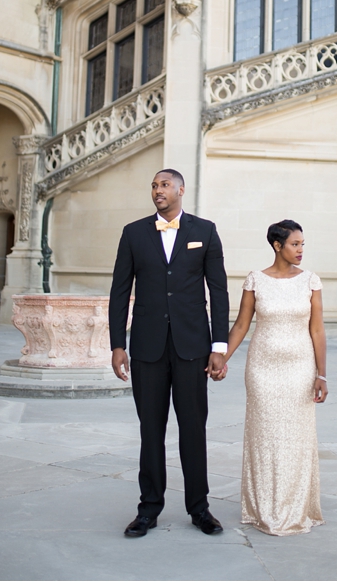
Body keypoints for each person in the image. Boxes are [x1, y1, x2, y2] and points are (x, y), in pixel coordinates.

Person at [109, 169, 230, 538]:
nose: (157, 191)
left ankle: (200, 508)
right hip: (147, 347)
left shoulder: (205, 231)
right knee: (151, 431)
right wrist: (118, 344)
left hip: (192, 347)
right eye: (154, 186)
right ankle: (148, 509)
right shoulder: (133, 233)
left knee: (193, 429)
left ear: (180, 190)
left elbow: (219, 291)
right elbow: (119, 291)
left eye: (164, 185)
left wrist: (219, 347)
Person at [219, 219, 327, 536]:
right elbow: (241, 326)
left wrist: (322, 374)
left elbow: (317, 330)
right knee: (264, 437)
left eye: (303, 244)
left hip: (300, 368)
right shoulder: (256, 280)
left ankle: (295, 508)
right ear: (278, 246)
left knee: (295, 438)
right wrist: (220, 359)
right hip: (262, 369)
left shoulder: (311, 281)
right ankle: (262, 508)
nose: (301, 250)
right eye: (295, 244)